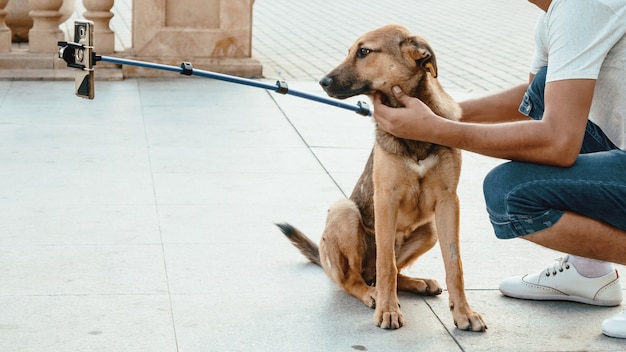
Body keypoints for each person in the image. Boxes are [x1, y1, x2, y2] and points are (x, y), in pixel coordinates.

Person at [372, 0, 626, 338]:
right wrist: (435, 113)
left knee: (508, 193)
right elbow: (533, 101)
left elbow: (558, 142)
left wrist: (433, 129)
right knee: (544, 86)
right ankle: (589, 270)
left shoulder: (582, 6)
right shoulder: (557, 14)